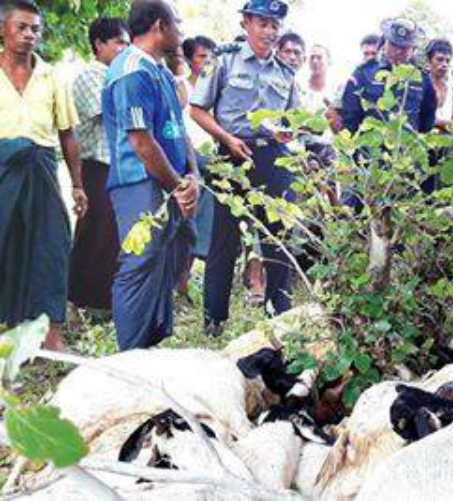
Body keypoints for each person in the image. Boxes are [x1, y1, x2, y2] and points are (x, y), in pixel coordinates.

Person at [191, 0, 303, 336]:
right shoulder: (223, 59)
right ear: (246, 24)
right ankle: (214, 318)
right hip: (231, 157)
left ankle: (279, 315)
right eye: (263, 24)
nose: (270, 32)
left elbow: (293, 121)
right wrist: (226, 139)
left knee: (277, 240)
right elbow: (197, 110)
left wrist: (289, 132)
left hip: (273, 158)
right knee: (223, 241)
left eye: (275, 25)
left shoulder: (285, 72)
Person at [103, 0, 200, 350]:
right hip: (139, 183)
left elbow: (178, 130)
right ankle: (129, 358)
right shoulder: (131, 70)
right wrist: (179, 185)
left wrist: (193, 175)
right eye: (178, 23)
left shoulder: (160, 71)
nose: (182, 32)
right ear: (160, 25)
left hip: (171, 182)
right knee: (139, 265)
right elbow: (142, 143)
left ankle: (149, 349)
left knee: (170, 256)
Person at [0, 0, 87, 350]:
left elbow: (68, 134)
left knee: (51, 246)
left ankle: (50, 337)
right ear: (3, 29)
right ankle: (8, 333)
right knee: (4, 245)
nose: (29, 35)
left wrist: (78, 185)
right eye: (21, 27)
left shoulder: (52, 76)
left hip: (42, 169)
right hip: (2, 168)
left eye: (35, 29)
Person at [68, 17, 130, 315]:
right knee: (94, 237)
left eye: (127, 44)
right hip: (96, 168)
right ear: (99, 44)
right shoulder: (91, 75)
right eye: (119, 43)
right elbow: (112, 111)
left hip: (118, 167)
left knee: (112, 239)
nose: (124, 49)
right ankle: (78, 303)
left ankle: (103, 305)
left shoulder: (117, 76)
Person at [340, 18, 437, 134]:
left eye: (404, 47)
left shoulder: (422, 79)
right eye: (393, 44)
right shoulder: (363, 73)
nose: (397, 51)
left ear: (413, 49)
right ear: (384, 42)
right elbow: (349, 118)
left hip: (405, 144)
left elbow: (427, 122)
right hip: (371, 143)